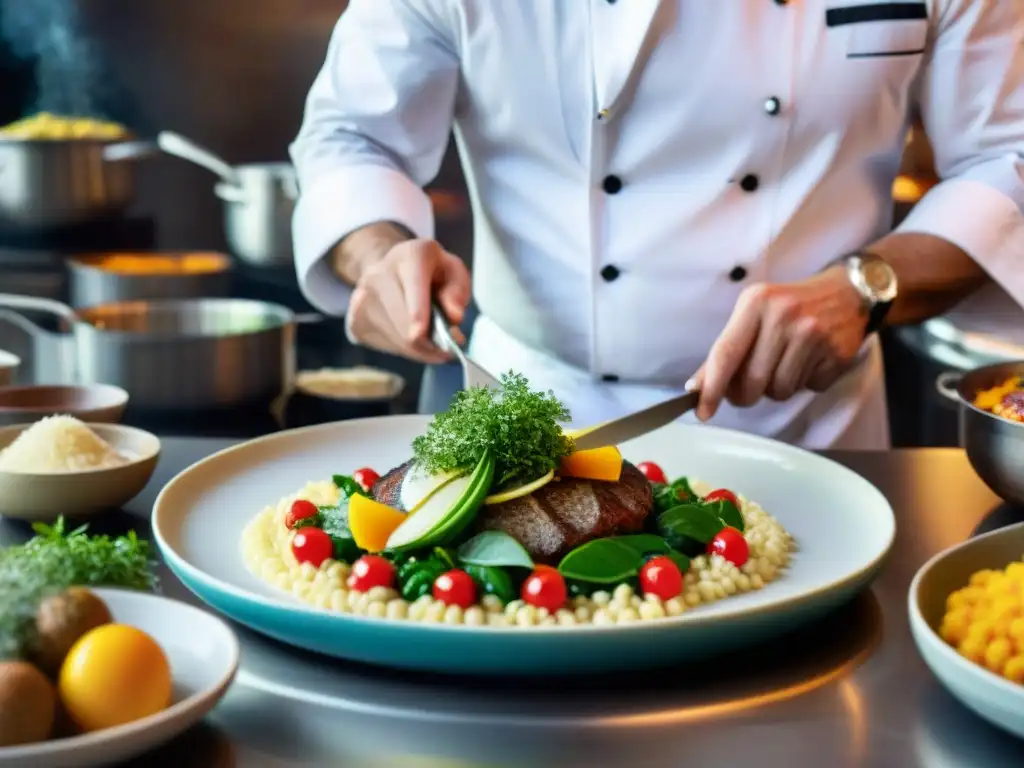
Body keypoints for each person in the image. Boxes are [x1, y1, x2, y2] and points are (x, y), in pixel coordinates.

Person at [290, 0, 1024, 449]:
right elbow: (353, 134)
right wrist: (380, 251)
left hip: (806, 427)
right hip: (531, 416)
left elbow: (1006, 156)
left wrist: (867, 287)